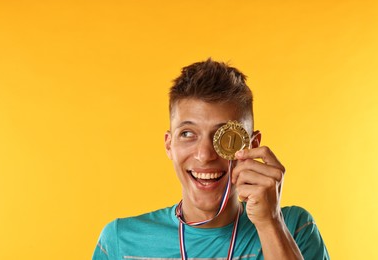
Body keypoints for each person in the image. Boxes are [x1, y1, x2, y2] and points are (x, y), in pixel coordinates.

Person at [92, 59, 329, 260]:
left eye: (224, 137)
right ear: (169, 144)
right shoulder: (120, 241)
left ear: (252, 146)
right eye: (187, 134)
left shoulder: (294, 228)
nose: (205, 155)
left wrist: (270, 223)